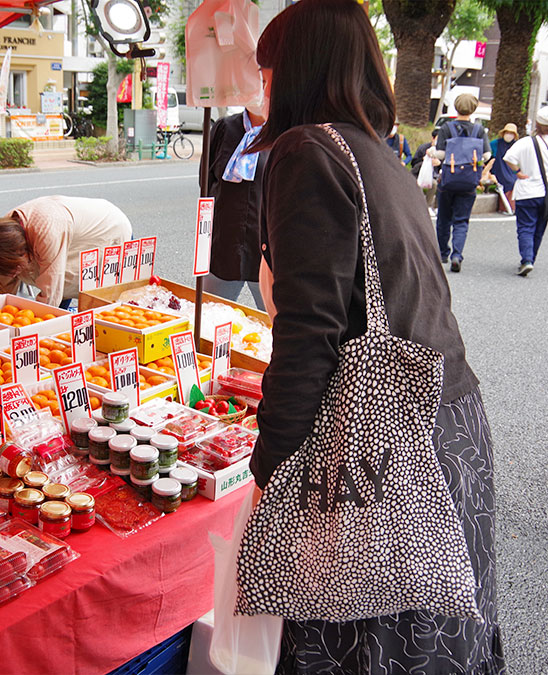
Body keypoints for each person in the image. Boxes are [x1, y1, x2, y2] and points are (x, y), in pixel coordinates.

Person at [243, 1, 503, 672]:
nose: (262, 85)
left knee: (367, 631)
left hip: (384, 440)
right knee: (435, 615)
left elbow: (308, 330)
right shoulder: (377, 154)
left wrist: (271, 468)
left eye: (268, 68)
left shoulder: (306, 150)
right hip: (448, 425)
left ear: (295, 69)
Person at [0, 196, 132, 308]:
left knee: (85, 292)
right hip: (69, 231)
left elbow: (50, 295)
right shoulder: (4, 231)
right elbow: (4, 288)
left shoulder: (47, 229)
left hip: (110, 229)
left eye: (13, 268)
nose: (15, 273)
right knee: (57, 277)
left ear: (21, 252)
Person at [204, 108, 267, 310]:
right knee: (209, 319)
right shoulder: (224, 128)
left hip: (267, 249)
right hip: (224, 243)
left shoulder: (285, 131)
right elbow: (205, 184)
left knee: (275, 328)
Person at [434, 93, 491, 272]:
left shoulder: (446, 128)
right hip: (469, 181)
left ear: (456, 107)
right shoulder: (479, 130)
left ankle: (443, 252)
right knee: (461, 220)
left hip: (448, 180)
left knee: (443, 218)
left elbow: (441, 154)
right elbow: (488, 155)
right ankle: (457, 255)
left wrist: (433, 154)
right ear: (473, 109)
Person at [501, 108, 548, 277]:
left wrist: (518, 171)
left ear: (537, 124)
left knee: (526, 227)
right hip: (546, 194)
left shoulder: (527, 142)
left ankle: (526, 260)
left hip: (527, 191)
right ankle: (531, 259)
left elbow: (508, 158)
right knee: (539, 228)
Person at [489, 122, 519, 214]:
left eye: (511, 133)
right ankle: (506, 207)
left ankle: (511, 207)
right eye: (507, 132)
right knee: (508, 181)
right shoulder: (495, 143)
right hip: (499, 168)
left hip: (511, 169)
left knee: (514, 181)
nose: (509, 135)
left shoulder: (517, 145)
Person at [410, 128, 441, 213]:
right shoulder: (423, 148)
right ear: (433, 138)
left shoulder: (441, 150)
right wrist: (423, 160)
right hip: (420, 174)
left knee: (436, 184)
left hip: (433, 175)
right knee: (419, 185)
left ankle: (430, 206)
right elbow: (413, 162)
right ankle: (420, 206)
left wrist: (439, 163)